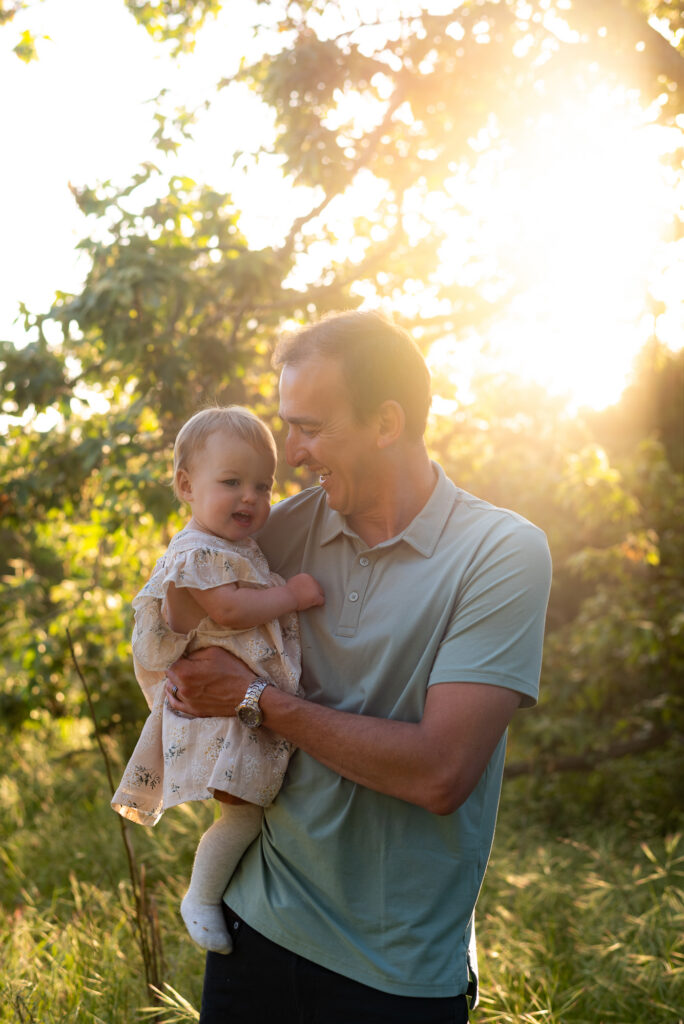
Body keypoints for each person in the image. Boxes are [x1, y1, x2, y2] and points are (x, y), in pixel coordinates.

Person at [166, 310, 553, 1024]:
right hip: (255, 929)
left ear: (385, 422)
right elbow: (183, 611)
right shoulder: (280, 532)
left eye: (310, 427)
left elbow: (440, 773)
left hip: (397, 970)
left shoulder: (500, 554)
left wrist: (255, 698)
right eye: (288, 426)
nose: (291, 451)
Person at [111, 406, 324, 955]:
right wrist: (294, 595)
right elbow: (229, 611)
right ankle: (201, 897)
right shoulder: (197, 553)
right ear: (186, 485)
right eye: (231, 482)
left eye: (262, 484)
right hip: (217, 711)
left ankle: (220, 895)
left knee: (254, 808)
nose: (250, 497)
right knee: (244, 812)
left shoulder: (235, 547)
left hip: (236, 706)